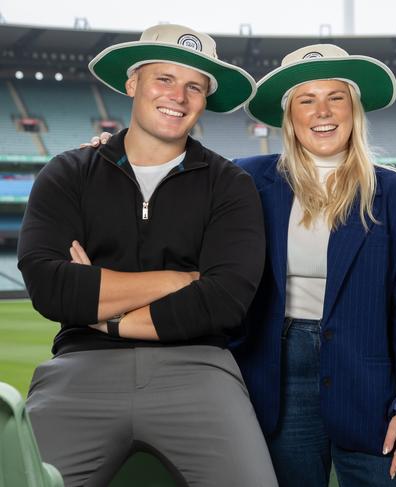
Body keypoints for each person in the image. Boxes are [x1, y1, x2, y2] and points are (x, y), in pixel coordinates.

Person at [17, 24, 277, 487]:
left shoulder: (229, 184)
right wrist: (178, 279)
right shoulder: (68, 172)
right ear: (133, 83)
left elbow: (224, 299)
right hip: (81, 367)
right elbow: (50, 286)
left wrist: (102, 306)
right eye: (164, 78)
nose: (178, 95)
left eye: (194, 86)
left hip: (199, 368)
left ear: (204, 100)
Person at [232, 44, 396, 487]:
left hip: (371, 382)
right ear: (290, 115)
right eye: (306, 99)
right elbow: (169, 170)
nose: (322, 111)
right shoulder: (246, 180)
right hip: (276, 377)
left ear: (354, 109)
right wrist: (109, 151)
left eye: (336, 97)